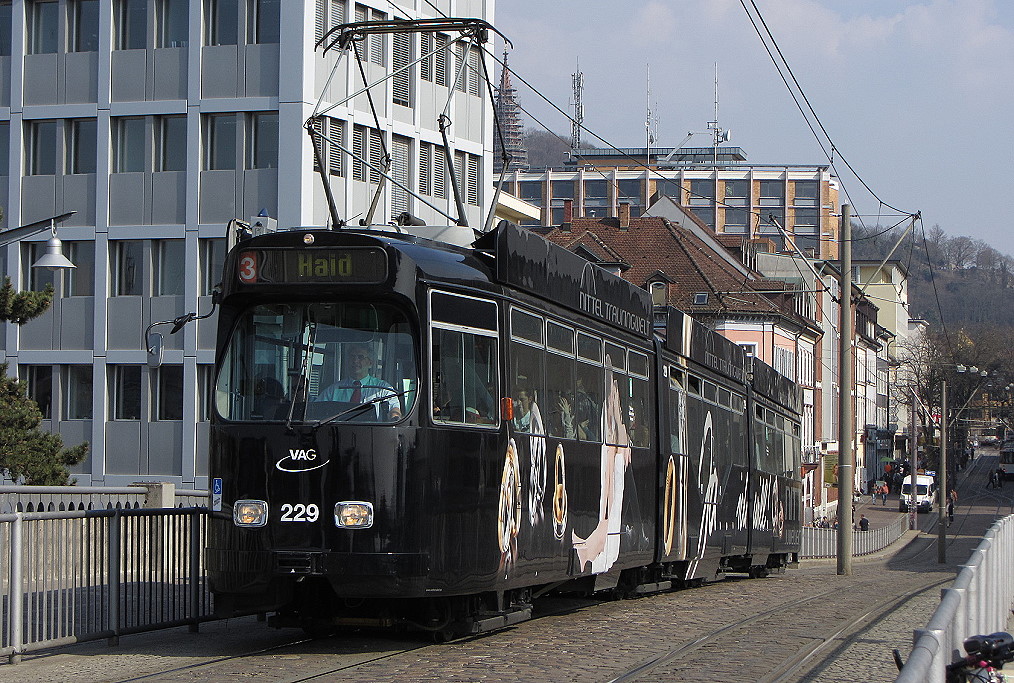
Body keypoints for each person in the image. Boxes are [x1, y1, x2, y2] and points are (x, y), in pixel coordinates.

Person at [316, 343, 402, 419]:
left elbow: (394, 410)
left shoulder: (383, 389)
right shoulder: (333, 390)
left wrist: (394, 416)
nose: (355, 361)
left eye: (360, 357)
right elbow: (316, 410)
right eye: (352, 357)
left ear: (370, 363)